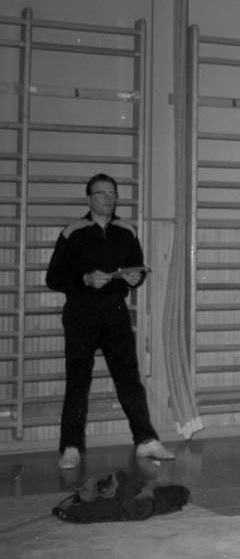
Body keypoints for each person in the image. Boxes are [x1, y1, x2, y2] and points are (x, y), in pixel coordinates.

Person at [46, 173, 175, 469]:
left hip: (115, 313)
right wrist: (85, 279)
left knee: (129, 379)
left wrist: (135, 277)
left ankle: (146, 440)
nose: (108, 198)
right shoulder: (72, 232)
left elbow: (137, 270)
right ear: (89, 198)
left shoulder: (126, 230)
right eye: (102, 193)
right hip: (80, 315)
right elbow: (53, 278)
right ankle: (70, 447)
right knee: (78, 382)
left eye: (112, 194)